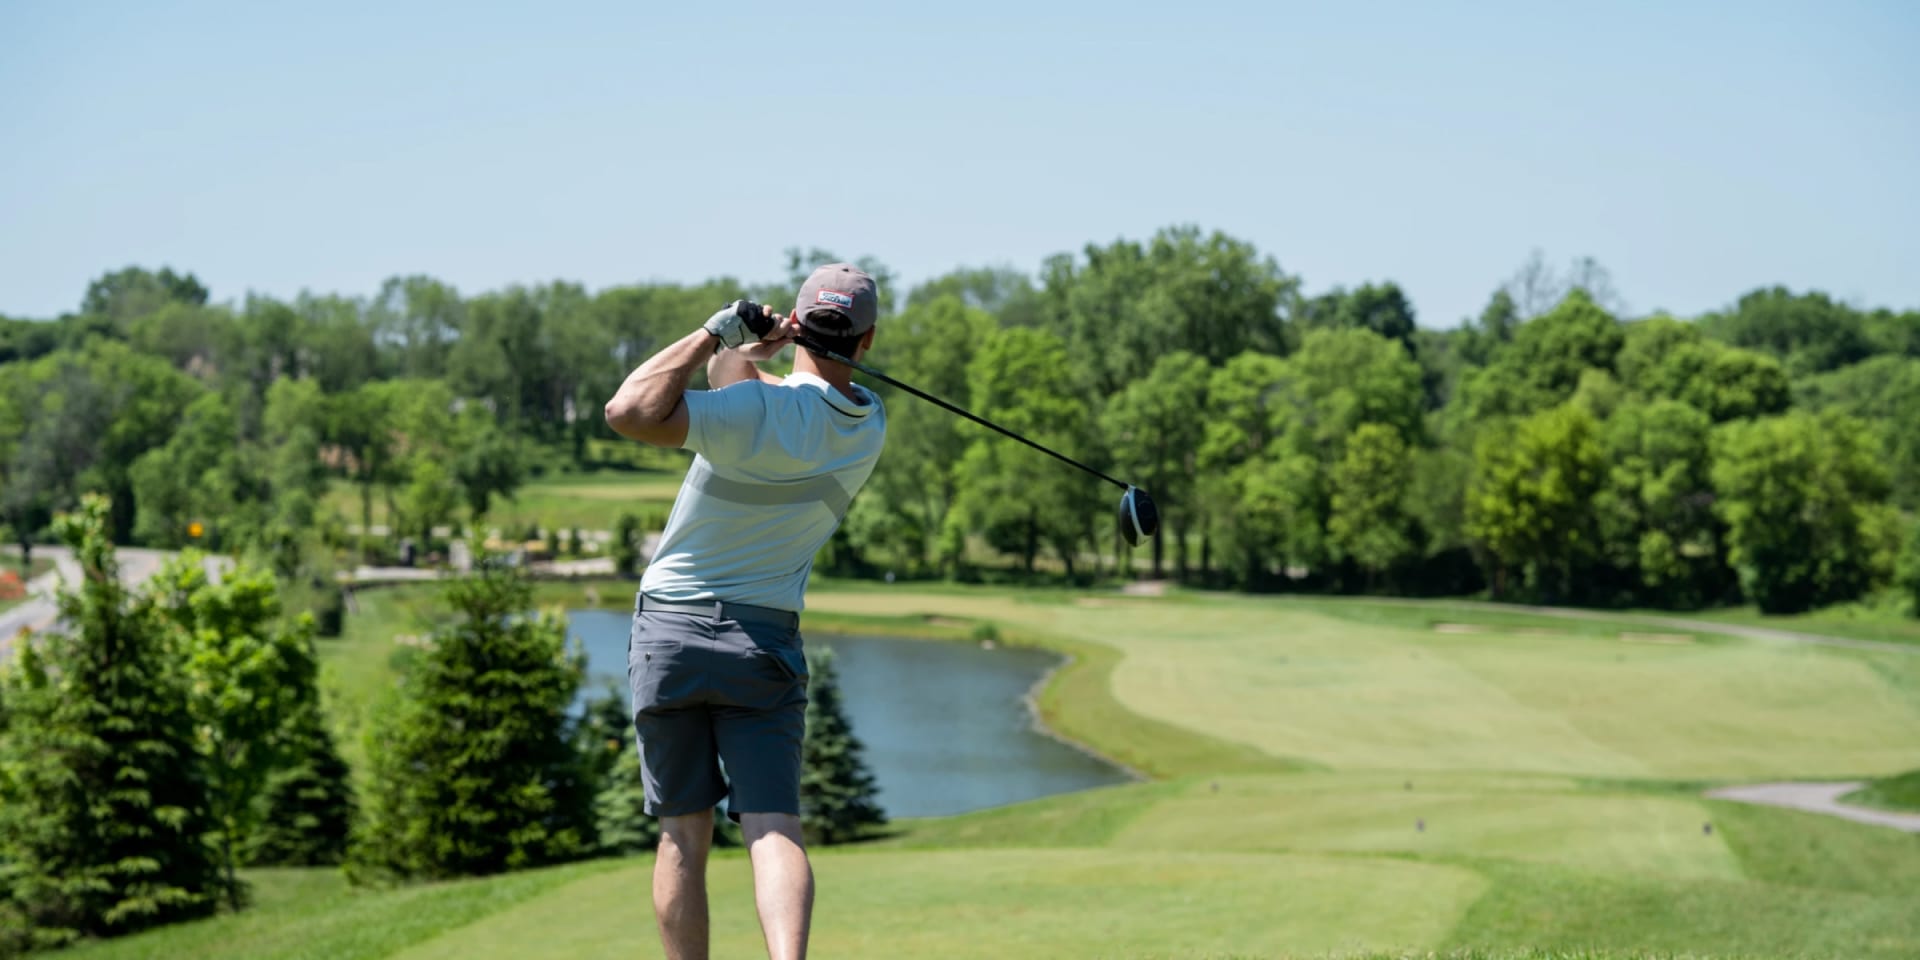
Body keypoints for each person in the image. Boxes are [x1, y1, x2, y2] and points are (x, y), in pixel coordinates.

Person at [602, 263, 886, 960]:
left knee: (682, 832)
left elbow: (628, 410)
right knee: (772, 826)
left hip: (671, 628)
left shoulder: (748, 415)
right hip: (762, 642)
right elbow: (769, 399)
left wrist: (714, 334)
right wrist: (749, 356)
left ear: (796, 321)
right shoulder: (867, 426)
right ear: (868, 340)